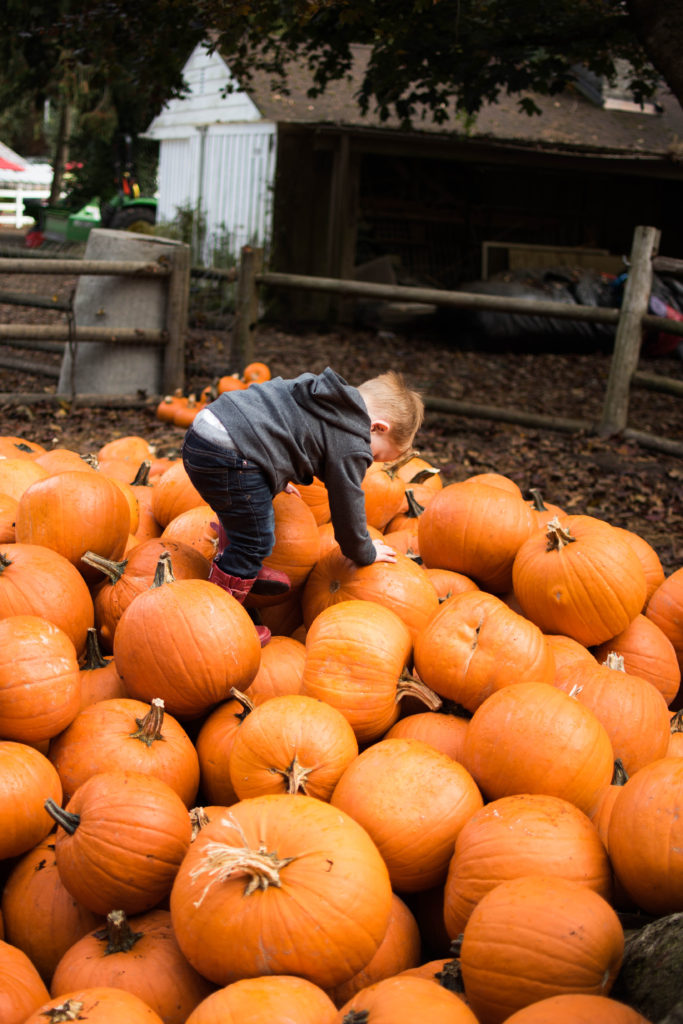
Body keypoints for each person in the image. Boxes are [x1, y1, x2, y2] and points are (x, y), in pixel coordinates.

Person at [181, 366, 425, 645]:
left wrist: (271, 465)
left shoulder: (318, 391)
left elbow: (275, 416)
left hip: (206, 432)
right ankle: (218, 620)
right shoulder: (353, 440)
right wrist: (363, 551)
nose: (368, 463)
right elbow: (347, 506)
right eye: (377, 454)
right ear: (378, 427)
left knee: (245, 509)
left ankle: (239, 566)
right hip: (231, 453)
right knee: (255, 539)